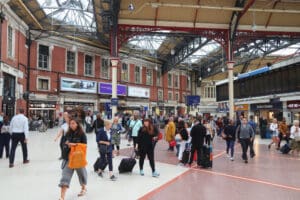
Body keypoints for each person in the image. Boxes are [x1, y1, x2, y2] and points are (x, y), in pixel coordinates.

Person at [58, 118, 87, 200]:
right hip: (68, 158)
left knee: (81, 174)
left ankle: (83, 188)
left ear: (77, 124)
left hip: (78, 158)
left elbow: (85, 146)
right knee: (65, 176)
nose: (71, 125)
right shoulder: (67, 134)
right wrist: (66, 145)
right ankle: (62, 196)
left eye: (73, 123)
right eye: (70, 124)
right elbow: (63, 144)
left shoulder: (82, 134)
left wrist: (74, 145)